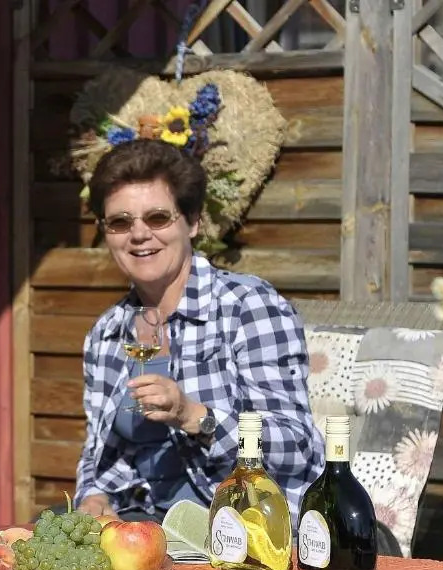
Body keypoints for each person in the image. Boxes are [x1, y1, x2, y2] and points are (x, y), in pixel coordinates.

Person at [73, 139, 323, 525]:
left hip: (247, 527)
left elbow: (295, 446)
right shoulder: (106, 333)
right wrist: (92, 496)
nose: (138, 234)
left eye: (157, 218)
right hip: (144, 529)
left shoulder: (248, 306)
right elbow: (98, 453)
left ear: (192, 222)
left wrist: (193, 416)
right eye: (120, 222)